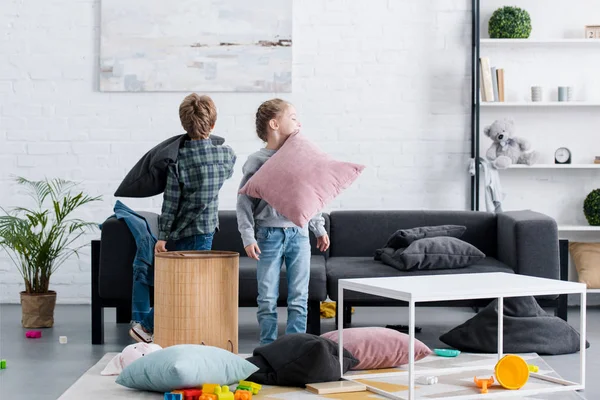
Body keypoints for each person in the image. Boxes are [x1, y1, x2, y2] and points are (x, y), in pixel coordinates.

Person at [129, 93, 236, 343]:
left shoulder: (177, 159)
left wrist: (163, 236)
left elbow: (171, 203)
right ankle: (146, 326)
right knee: (190, 287)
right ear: (212, 124)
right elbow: (224, 160)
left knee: (185, 284)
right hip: (204, 232)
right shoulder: (226, 155)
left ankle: (170, 330)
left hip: (179, 232)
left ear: (183, 124)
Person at [236, 98, 330, 346]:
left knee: (299, 296)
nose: (298, 122)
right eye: (293, 117)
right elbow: (244, 202)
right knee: (267, 297)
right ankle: (267, 347)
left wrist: (317, 227)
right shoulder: (257, 160)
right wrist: (248, 237)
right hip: (268, 235)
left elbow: (309, 194)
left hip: (299, 235)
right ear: (275, 124)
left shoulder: (300, 156)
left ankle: (294, 346)